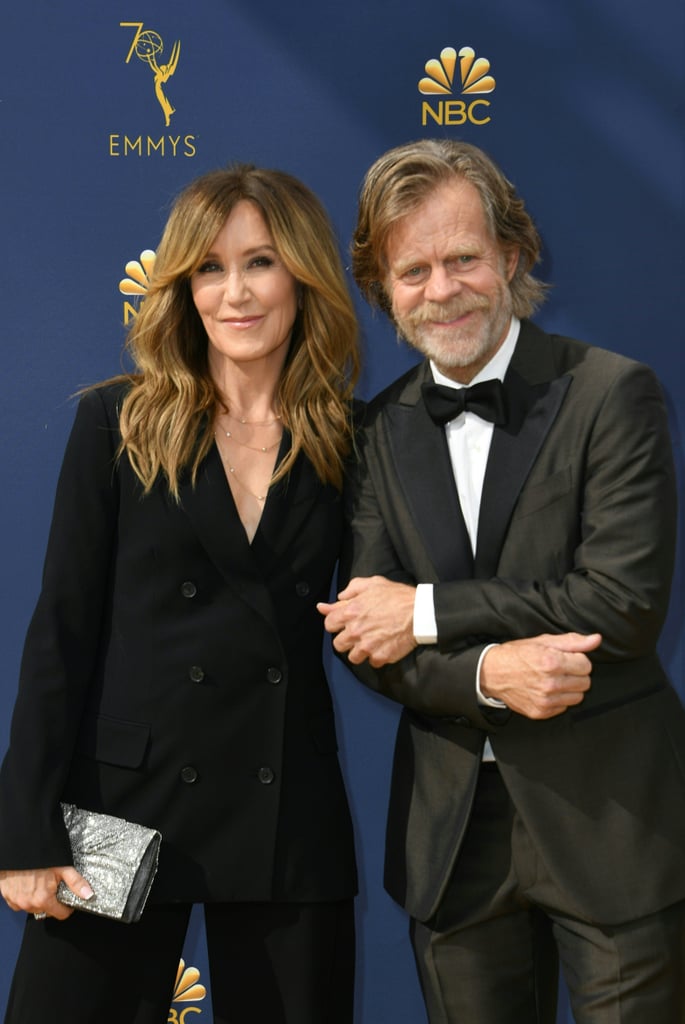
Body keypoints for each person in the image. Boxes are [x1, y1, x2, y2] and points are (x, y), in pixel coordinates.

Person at [319, 139, 685, 1023]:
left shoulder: (610, 394)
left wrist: (429, 610)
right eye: (412, 271)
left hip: (609, 825)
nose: (439, 290)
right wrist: (488, 673)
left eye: (463, 260)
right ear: (381, 288)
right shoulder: (373, 433)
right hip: (451, 842)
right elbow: (369, 639)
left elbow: (621, 604)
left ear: (512, 257)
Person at [0, 164, 360, 1024]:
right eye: (208, 267)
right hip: (121, 815)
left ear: (303, 276)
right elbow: (60, 636)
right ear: (182, 286)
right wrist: (24, 834)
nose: (233, 292)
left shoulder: (352, 440)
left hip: (284, 814)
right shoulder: (118, 424)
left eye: (260, 262)